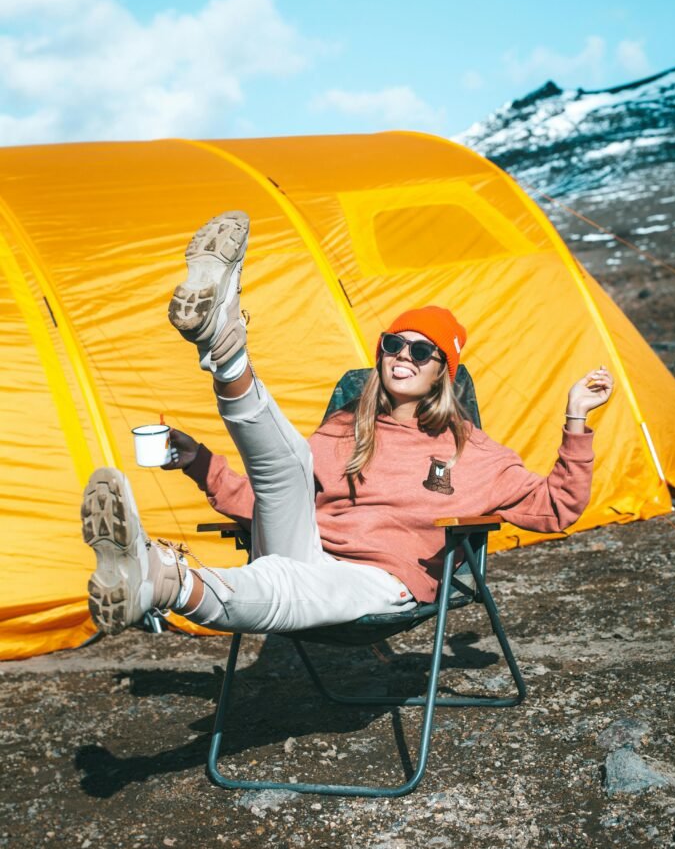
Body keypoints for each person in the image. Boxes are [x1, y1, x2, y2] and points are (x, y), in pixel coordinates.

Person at [81, 211, 614, 636]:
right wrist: (197, 461)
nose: (403, 355)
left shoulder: (470, 452)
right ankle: (224, 347)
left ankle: (162, 581)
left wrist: (575, 418)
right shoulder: (344, 428)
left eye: (422, 351)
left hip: (381, 580)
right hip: (305, 548)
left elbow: (556, 508)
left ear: (442, 374)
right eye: (393, 344)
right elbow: (269, 497)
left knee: (284, 584)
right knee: (289, 466)